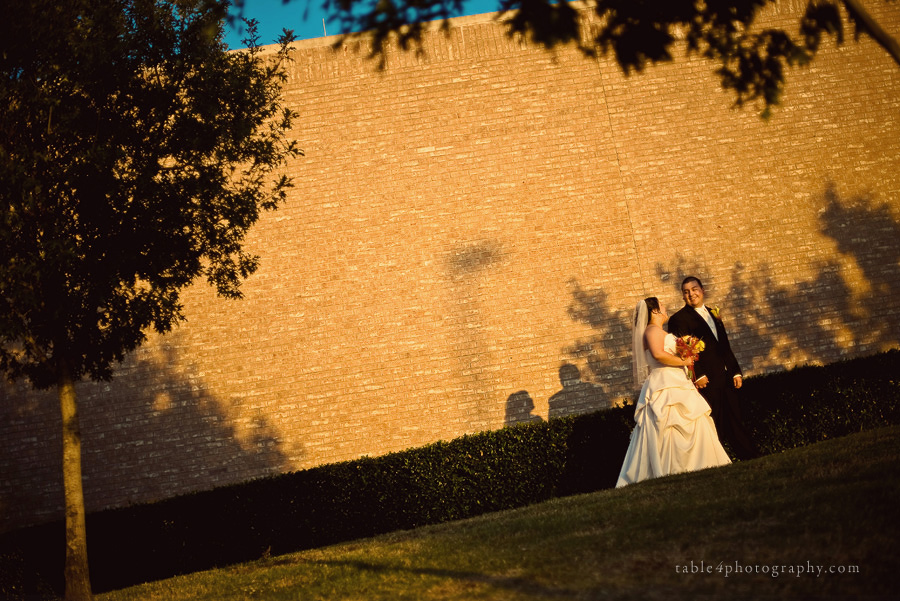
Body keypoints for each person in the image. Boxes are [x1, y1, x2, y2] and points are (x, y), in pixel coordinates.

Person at [616, 297, 731, 487]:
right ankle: (673, 467)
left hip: (676, 380)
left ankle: (701, 463)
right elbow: (658, 354)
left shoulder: (659, 331)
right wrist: (684, 361)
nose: (665, 307)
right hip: (665, 382)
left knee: (691, 420)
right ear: (654, 311)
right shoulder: (652, 331)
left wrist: (686, 352)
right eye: (662, 305)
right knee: (668, 423)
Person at [667, 276, 759, 460]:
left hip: (725, 376)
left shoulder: (714, 313)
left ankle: (749, 456)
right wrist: (697, 375)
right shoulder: (678, 319)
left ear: (702, 290)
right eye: (686, 292)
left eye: (694, 289)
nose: (691, 294)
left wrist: (735, 371)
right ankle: (715, 461)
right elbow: (684, 351)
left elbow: (724, 344)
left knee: (735, 417)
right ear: (683, 296)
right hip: (706, 379)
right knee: (713, 421)